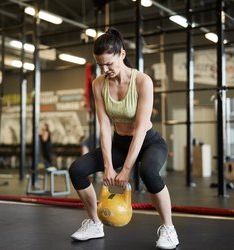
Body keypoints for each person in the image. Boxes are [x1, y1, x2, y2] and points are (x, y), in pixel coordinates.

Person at [69, 28, 179, 249]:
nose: (105, 69)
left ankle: (169, 229)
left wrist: (126, 170)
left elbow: (139, 130)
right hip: (119, 142)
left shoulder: (142, 82)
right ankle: (94, 223)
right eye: (101, 64)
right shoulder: (98, 84)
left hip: (148, 141)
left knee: (148, 172)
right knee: (77, 170)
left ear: (121, 54)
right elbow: (104, 126)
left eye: (109, 63)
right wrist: (108, 167)